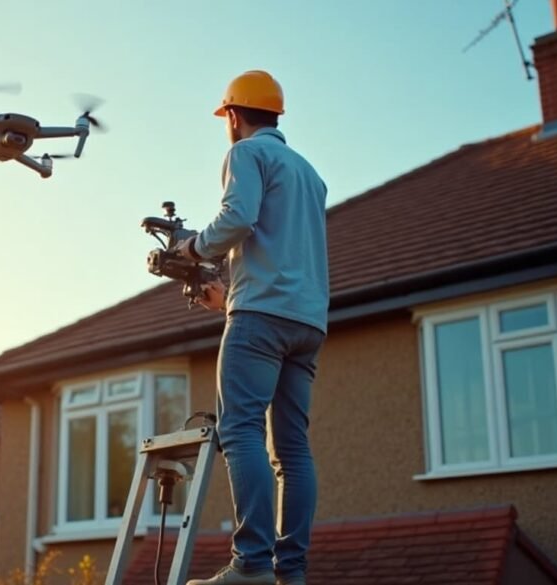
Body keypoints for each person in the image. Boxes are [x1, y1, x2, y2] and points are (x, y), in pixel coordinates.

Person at [177, 71, 329, 585]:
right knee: (292, 450)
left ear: (235, 117)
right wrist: (228, 301)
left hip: (261, 318)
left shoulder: (245, 154)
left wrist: (194, 248)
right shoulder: (310, 174)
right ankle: (291, 573)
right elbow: (280, 256)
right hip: (307, 323)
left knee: (240, 431)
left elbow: (238, 218)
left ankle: (252, 565)